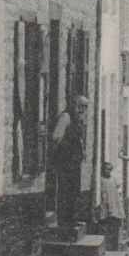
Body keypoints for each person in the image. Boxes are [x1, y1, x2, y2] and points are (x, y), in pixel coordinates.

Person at [48, 94, 86, 225]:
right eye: (81, 106)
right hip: (65, 162)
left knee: (73, 190)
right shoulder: (66, 117)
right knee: (65, 190)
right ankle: (64, 221)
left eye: (85, 107)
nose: (83, 110)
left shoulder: (77, 120)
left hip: (74, 163)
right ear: (74, 105)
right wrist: (68, 149)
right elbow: (56, 137)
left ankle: (71, 219)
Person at [97, 161, 124, 251]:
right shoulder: (101, 180)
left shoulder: (113, 179)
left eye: (109, 169)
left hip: (114, 205)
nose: (107, 171)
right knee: (105, 226)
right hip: (105, 205)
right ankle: (106, 247)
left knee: (115, 226)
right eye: (106, 169)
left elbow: (117, 185)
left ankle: (114, 247)